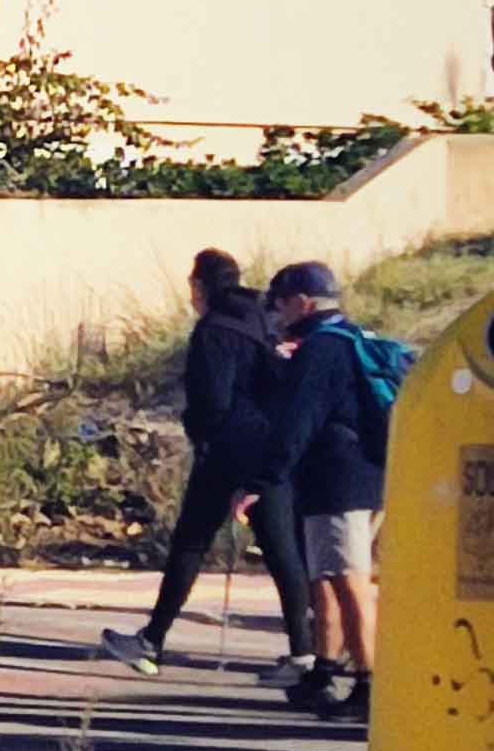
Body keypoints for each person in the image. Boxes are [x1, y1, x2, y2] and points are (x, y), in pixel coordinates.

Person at [100, 250, 310, 677]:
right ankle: (304, 654)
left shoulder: (214, 330)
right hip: (272, 448)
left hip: (227, 452)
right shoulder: (263, 320)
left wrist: (203, 438)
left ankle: (151, 641)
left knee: (191, 543)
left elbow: (212, 401)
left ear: (199, 286)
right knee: (282, 551)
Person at [250, 262, 387, 721]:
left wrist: (264, 479)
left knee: (350, 581)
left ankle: (368, 685)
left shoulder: (322, 350)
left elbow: (298, 421)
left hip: (339, 480)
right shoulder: (350, 339)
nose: (277, 312)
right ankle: (323, 672)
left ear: (303, 302)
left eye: (281, 303)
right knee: (326, 577)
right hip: (356, 476)